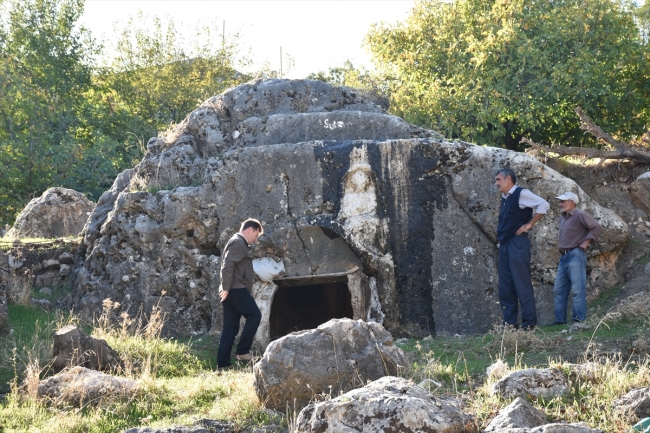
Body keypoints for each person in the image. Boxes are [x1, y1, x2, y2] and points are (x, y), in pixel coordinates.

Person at [495, 168, 550, 330]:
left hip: (518, 244)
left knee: (522, 284)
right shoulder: (505, 197)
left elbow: (544, 204)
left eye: (498, 179)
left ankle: (529, 324)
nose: (496, 183)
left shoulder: (521, 193)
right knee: (505, 286)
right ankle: (510, 325)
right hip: (505, 245)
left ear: (508, 179)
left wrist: (529, 224)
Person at [216, 218, 263, 369]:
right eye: (256, 235)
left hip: (231, 290)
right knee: (255, 315)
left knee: (230, 328)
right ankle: (243, 351)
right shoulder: (238, 242)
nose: (255, 240)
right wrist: (226, 288)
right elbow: (227, 265)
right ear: (250, 230)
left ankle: (223, 363)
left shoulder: (238, 242)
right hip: (235, 289)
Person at [552, 192, 603, 324]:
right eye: (560, 201)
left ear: (572, 202)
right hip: (563, 257)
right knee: (558, 290)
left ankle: (578, 319)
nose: (560, 204)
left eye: (563, 201)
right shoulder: (563, 218)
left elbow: (596, 227)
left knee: (577, 289)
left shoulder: (580, 214)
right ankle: (559, 321)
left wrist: (586, 242)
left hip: (576, 254)